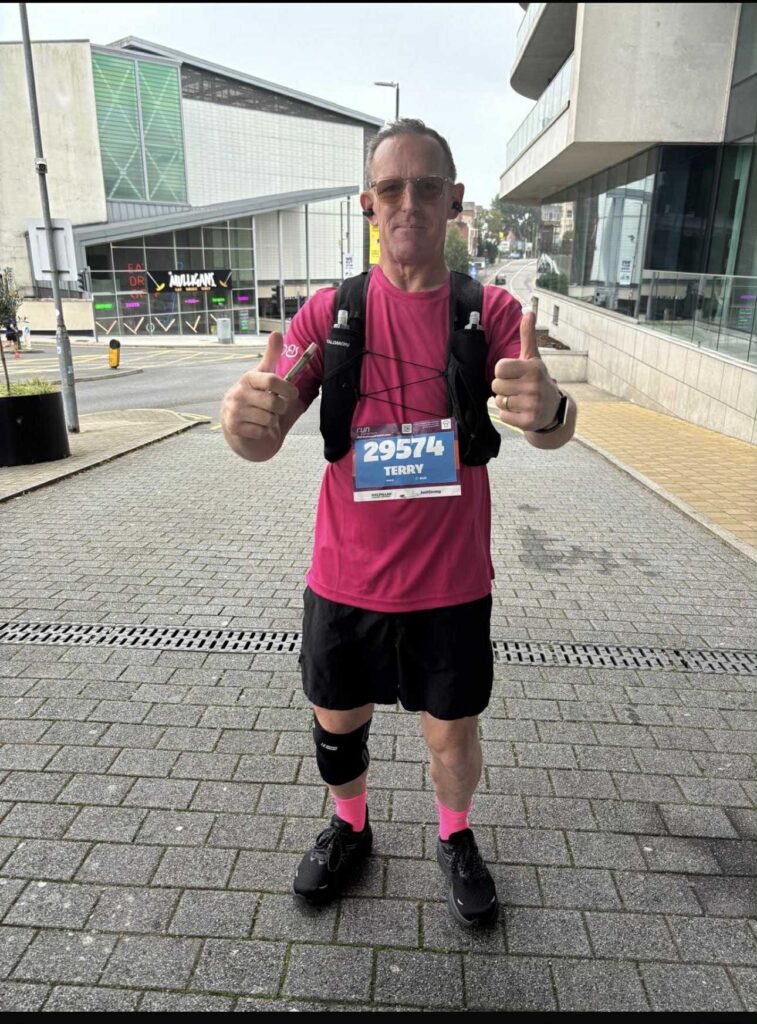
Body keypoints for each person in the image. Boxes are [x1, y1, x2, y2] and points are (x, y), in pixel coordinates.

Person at [221, 119, 576, 927]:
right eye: (390, 188)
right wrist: (243, 423)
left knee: (450, 738)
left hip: (450, 588)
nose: (407, 202)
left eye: (426, 187)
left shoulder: (488, 314)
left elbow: (545, 424)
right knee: (336, 726)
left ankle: (454, 837)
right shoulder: (329, 316)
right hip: (342, 579)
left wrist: (550, 408)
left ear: (455, 199)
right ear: (367, 205)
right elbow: (266, 431)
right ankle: (350, 828)